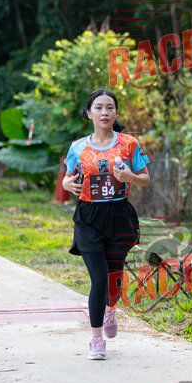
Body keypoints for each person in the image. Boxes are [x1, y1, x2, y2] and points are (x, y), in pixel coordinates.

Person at [62, 88, 150, 360]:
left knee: (113, 278)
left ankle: (111, 310)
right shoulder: (78, 146)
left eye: (109, 107)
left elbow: (145, 178)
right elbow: (67, 177)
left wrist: (129, 177)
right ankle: (96, 339)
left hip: (119, 216)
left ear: (115, 112)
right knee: (99, 278)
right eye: (98, 107)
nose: (104, 112)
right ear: (89, 114)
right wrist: (66, 184)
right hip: (88, 217)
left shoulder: (129, 144)